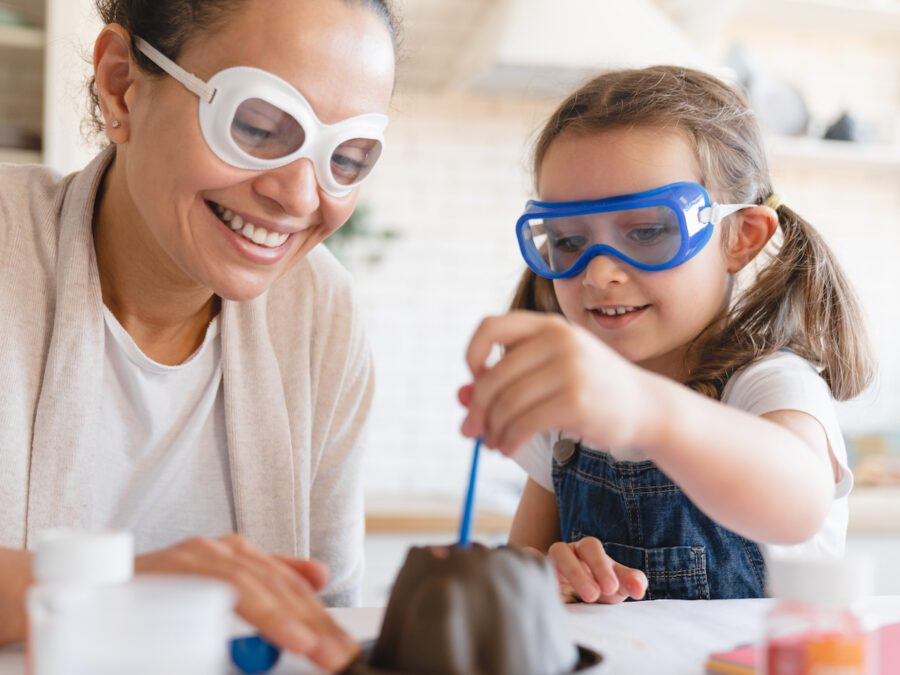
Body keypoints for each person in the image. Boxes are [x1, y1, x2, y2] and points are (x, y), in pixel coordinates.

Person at [0, 0, 396, 669]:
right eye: (259, 125)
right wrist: (116, 592)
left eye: (348, 157)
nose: (300, 198)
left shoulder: (319, 315)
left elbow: (324, 620)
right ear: (122, 83)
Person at [459, 66, 875, 603]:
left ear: (741, 238)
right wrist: (550, 577)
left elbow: (799, 503)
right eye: (567, 239)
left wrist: (646, 409)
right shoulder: (568, 417)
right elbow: (516, 588)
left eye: (648, 231)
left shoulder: (769, 385)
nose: (599, 271)